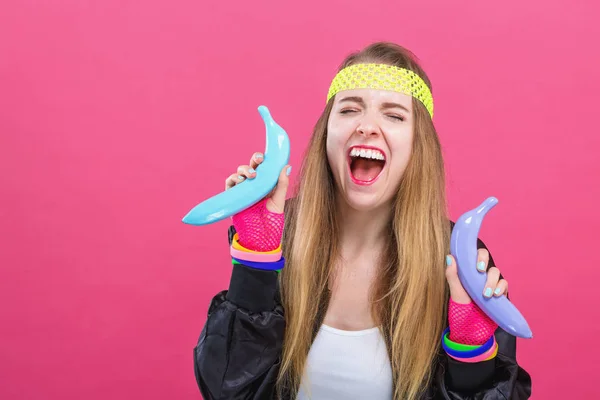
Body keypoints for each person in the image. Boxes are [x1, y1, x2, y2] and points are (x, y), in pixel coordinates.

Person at [192, 42, 532, 399]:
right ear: (327, 133)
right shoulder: (281, 239)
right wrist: (255, 264)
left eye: (394, 115)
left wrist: (472, 354)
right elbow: (226, 390)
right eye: (350, 109)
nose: (367, 126)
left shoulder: (457, 265)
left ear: (419, 146)